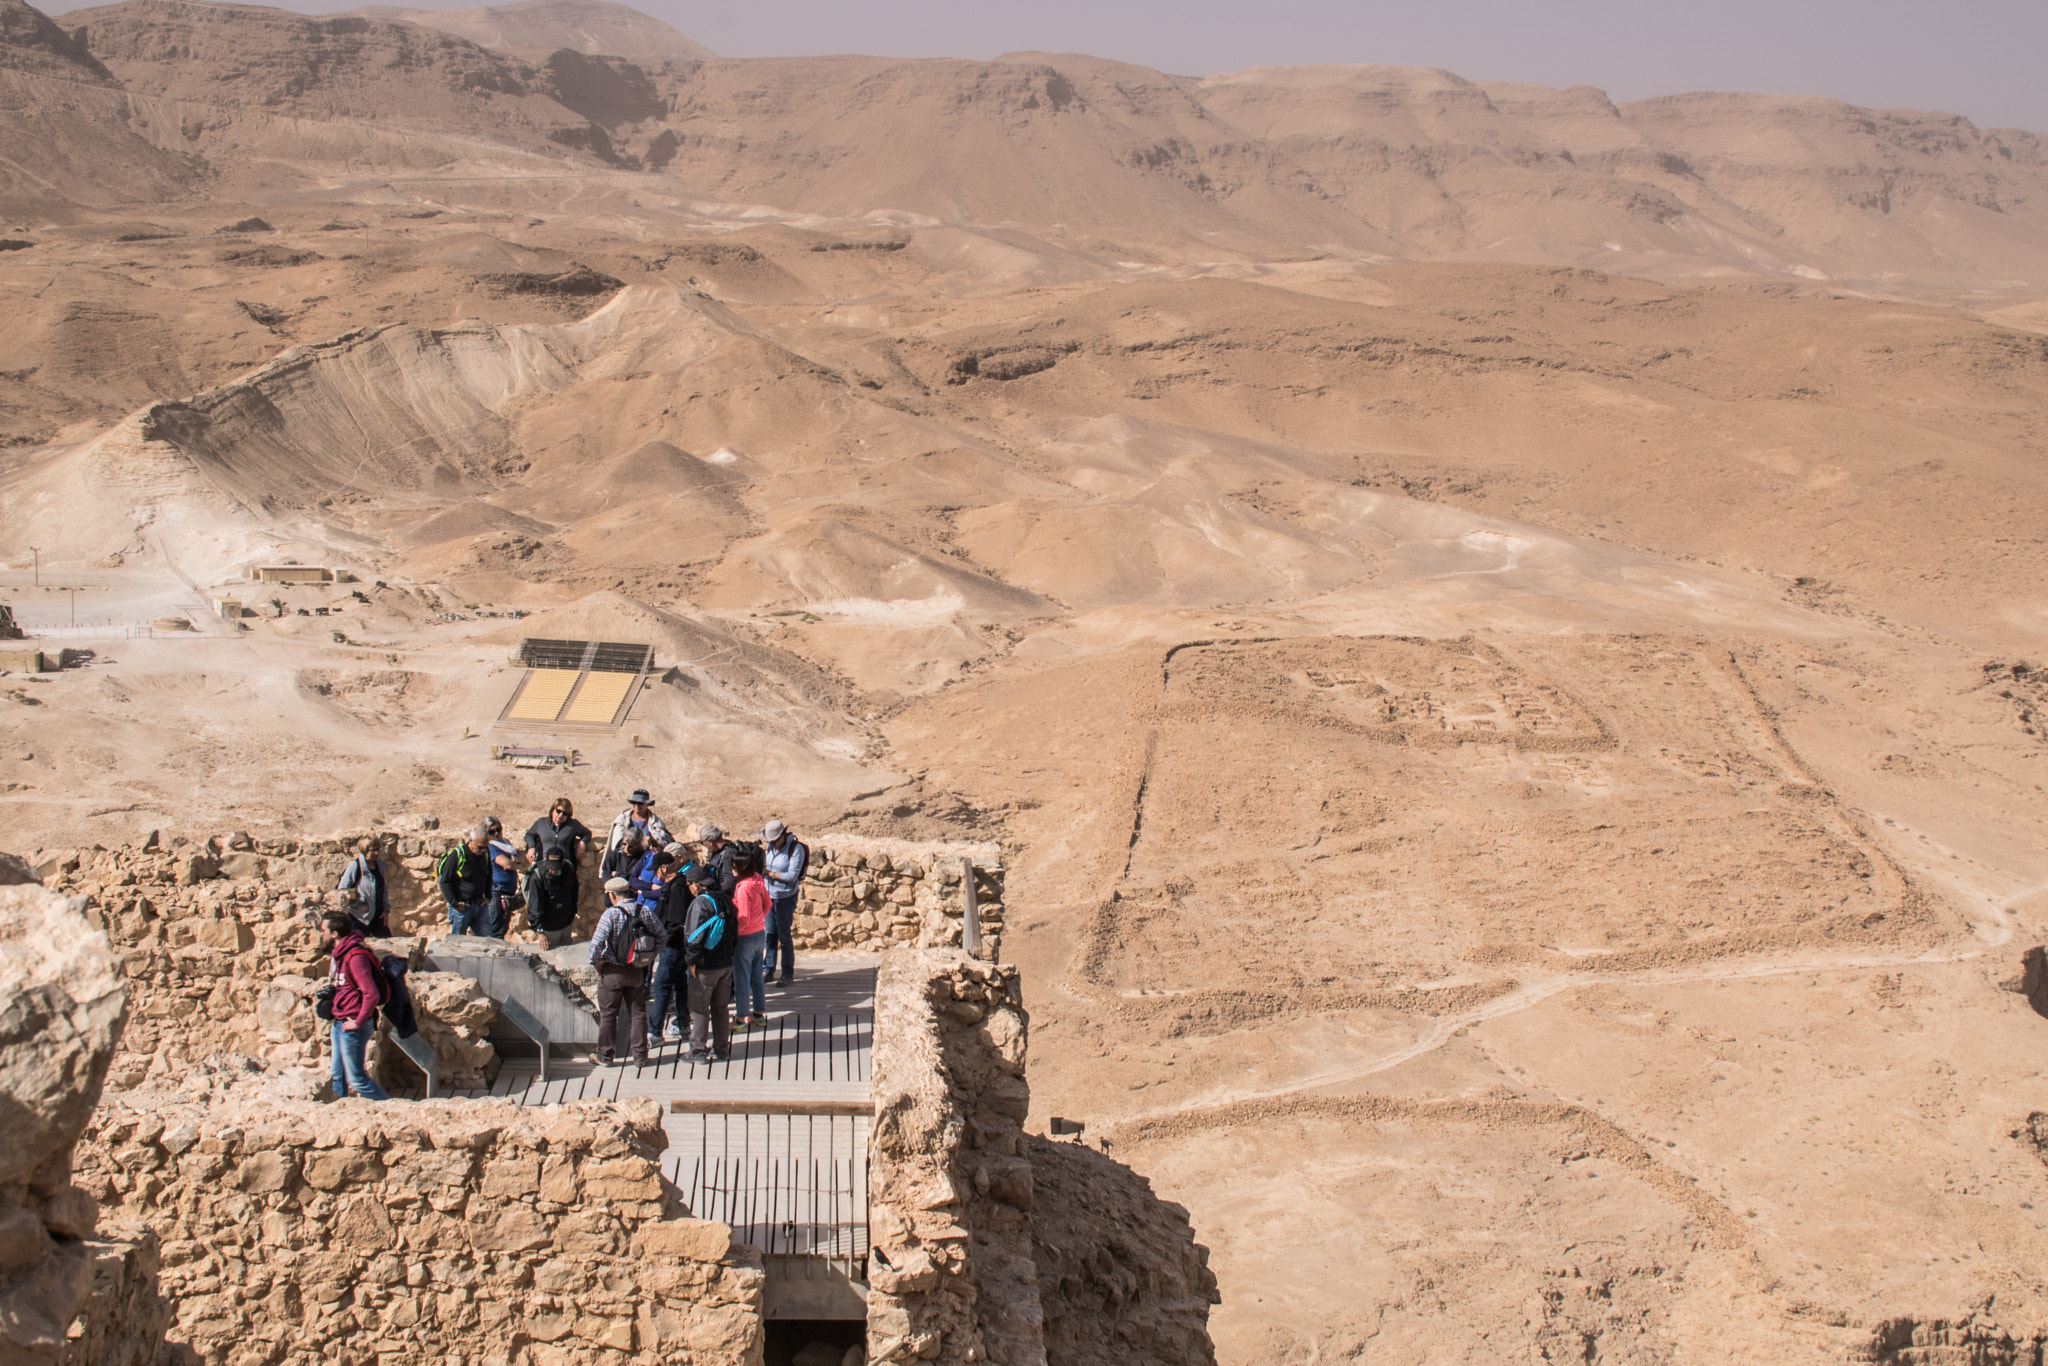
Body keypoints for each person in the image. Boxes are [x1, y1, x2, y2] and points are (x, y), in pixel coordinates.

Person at [589, 875, 663, 1067]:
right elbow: (662, 936)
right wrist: (648, 957)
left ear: (613, 896)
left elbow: (596, 944)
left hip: (612, 971)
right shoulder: (644, 910)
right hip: (636, 971)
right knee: (637, 1013)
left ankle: (605, 1056)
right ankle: (640, 1056)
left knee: (608, 1015)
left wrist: (597, 964)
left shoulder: (611, 914)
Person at [321, 910, 390, 1102]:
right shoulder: (340, 955)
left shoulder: (355, 957)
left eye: (323, 930)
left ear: (334, 933)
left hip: (353, 1025)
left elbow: (371, 993)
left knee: (356, 1079)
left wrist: (358, 1022)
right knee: (337, 1075)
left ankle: (391, 1109)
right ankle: (338, 1115)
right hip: (340, 1022)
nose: (321, 934)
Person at [681, 862, 736, 1062]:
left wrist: (691, 961)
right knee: (721, 1007)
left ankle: (697, 1051)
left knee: (700, 1009)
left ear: (695, 884)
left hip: (706, 966)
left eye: (689, 885)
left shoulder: (699, 904)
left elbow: (694, 937)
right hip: (726, 963)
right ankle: (722, 1049)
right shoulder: (724, 899)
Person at [525, 798, 591, 947]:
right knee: (541, 901)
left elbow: (587, 833)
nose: (560, 815)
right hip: (545, 871)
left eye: (565, 813)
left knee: (564, 900)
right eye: (558, 811)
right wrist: (531, 847)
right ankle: (540, 928)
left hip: (565, 871)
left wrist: (582, 842)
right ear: (552, 810)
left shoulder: (572, 825)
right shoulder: (541, 823)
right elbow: (530, 834)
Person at [648, 849, 693, 1046]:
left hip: (672, 948)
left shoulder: (677, 889)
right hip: (675, 948)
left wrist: (661, 940)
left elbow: (676, 924)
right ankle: (683, 1024)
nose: (654, 874)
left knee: (661, 986)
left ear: (664, 868)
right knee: (679, 985)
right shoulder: (678, 885)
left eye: (656, 870)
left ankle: (655, 1033)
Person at [759, 819, 807, 987]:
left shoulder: (796, 849)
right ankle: (769, 969)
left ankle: (787, 973)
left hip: (785, 897)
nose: (771, 844)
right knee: (770, 934)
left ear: (782, 836)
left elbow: (791, 877)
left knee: (784, 936)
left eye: (773, 840)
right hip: (769, 896)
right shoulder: (770, 847)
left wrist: (770, 874)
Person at [730, 849, 771, 1033]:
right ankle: (759, 1013)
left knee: (741, 979)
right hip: (759, 933)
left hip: (745, 937)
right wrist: (759, 920)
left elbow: (744, 917)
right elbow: (768, 904)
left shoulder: (744, 887)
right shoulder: (758, 880)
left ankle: (741, 1017)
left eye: (734, 867)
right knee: (756, 976)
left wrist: (735, 933)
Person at [436, 826, 495, 936]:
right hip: (462, 908)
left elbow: (488, 874)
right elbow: (444, 881)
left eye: (485, 847)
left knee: (488, 940)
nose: (482, 850)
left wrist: (488, 896)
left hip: (480, 906)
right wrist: (455, 904)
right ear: (471, 841)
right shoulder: (457, 856)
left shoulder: (485, 853)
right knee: (457, 942)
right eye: (480, 847)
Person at [335, 836, 391, 938]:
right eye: (373, 850)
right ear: (364, 850)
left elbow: (384, 889)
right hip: (359, 917)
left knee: (388, 944)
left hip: (378, 915)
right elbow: (342, 889)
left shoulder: (380, 867)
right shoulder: (355, 866)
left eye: (378, 849)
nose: (377, 853)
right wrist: (359, 904)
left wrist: (386, 909)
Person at [605, 789, 671, 866]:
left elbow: (664, 840)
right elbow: (617, 843)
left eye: (640, 803)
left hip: (647, 859)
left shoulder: (655, 822)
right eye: (634, 803)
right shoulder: (622, 820)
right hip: (626, 858)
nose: (637, 806)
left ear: (647, 805)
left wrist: (652, 840)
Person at [483, 816, 521, 938]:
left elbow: (521, 855)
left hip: (507, 892)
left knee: (502, 927)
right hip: (496, 893)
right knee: (495, 929)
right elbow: (507, 864)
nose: (496, 833)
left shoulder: (505, 844)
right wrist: (515, 863)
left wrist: (515, 863)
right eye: (492, 831)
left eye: (498, 829)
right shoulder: (490, 847)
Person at [698, 822, 738, 896]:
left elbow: (729, 882)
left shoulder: (728, 854)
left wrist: (715, 895)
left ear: (710, 841)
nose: (704, 845)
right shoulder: (717, 852)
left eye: (703, 842)